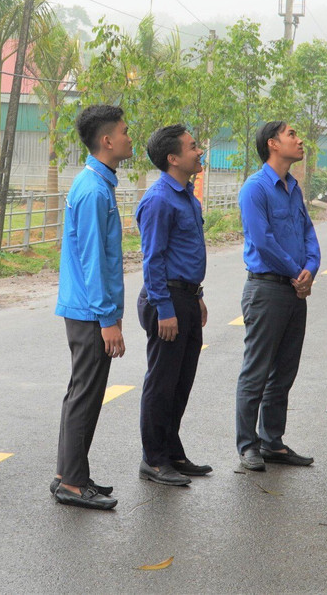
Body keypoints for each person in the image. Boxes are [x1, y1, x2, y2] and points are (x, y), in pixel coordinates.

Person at [50, 104, 132, 510]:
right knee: (86, 394)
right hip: (88, 311)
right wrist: (108, 319)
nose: (129, 138)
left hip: (86, 308)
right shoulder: (93, 190)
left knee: (81, 392)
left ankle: (70, 474)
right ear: (107, 141)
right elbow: (93, 260)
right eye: (125, 131)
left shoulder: (97, 184)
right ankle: (72, 485)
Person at [235, 120, 320, 472]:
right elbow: (262, 240)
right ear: (273, 144)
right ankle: (247, 445)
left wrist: (310, 269)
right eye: (292, 136)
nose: (300, 141)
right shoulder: (255, 188)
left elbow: (307, 232)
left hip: (294, 290)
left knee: (284, 371)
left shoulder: (293, 187)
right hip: (267, 288)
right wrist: (294, 271)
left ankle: (272, 442)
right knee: (256, 372)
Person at [134, 125, 210, 487]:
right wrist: (165, 308)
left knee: (181, 382)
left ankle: (172, 450)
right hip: (167, 299)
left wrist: (198, 297)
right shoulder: (159, 199)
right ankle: (154, 459)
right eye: (193, 147)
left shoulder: (188, 197)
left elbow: (185, 254)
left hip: (187, 297)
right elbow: (153, 259)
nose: (200, 152)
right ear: (173, 158)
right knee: (162, 382)